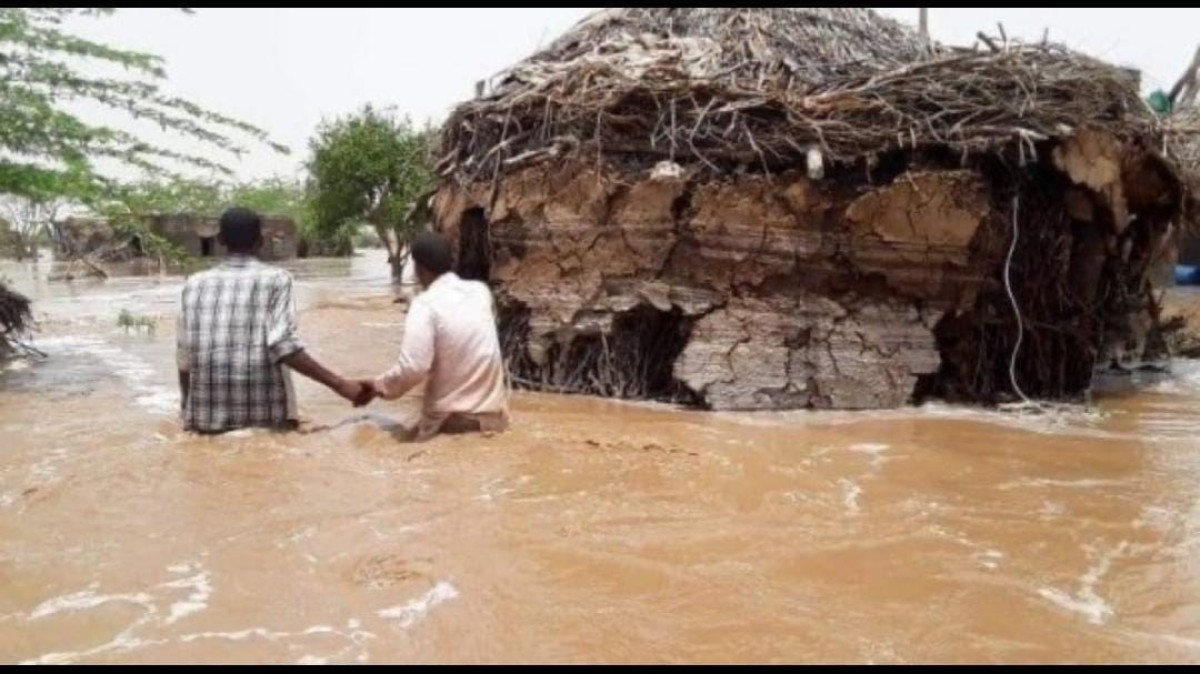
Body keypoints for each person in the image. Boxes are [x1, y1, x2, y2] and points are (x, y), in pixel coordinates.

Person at [176, 207, 372, 434]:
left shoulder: (194, 284)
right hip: (263, 418)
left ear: (219, 240)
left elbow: (184, 354)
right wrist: (341, 385)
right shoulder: (277, 279)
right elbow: (282, 344)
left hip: (204, 421)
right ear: (260, 241)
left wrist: (186, 408)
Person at [370, 231, 509, 441]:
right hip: (496, 422)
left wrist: (378, 386)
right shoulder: (480, 292)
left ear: (418, 268)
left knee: (369, 427)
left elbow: (413, 368)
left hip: (451, 426)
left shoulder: (425, 305)